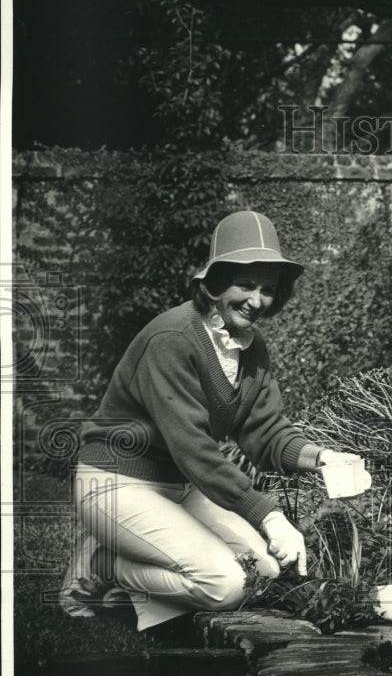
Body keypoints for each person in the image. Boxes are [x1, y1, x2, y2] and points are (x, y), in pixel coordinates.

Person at [59, 210, 360, 631]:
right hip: (117, 482)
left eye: (268, 290)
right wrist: (270, 517)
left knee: (264, 573)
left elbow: (265, 431)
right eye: (246, 285)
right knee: (226, 584)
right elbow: (193, 448)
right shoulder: (173, 338)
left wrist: (323, 458)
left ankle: (127, 567)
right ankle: (105, 563)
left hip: (180, 486)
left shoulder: (250, 348)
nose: (257, 301)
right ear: (216, 283)